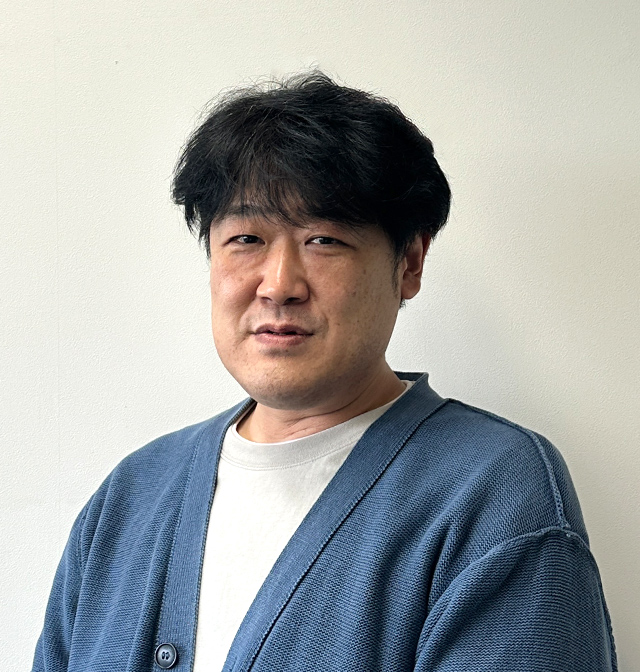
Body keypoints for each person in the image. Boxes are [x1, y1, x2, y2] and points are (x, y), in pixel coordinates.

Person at [32, 72, 617, 672]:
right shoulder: (131, 496)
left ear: (409, 263)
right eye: (246, 237)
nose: (279, 284)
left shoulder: (494, 495)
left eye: (324, 240)